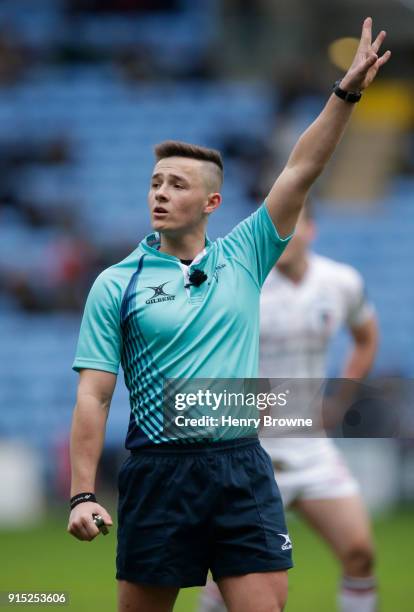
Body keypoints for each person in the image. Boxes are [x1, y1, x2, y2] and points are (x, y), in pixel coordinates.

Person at [67, 18, 390, 612]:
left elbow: (300, 169)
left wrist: (346, 94)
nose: (160, 192)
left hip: (241, 462)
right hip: (158, 470)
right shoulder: (116, 284)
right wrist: (81, 493)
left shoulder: (244, 255)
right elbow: (94, 396)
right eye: (155, 183)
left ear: (212, 202)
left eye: (177, 184)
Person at [199, 207, 379, 612]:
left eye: (291, 226)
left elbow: (366, 337)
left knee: (360, 553)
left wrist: (341, 396)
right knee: (229, 580)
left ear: (311, 229)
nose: (283, 236)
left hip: (311, 446)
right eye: (276, 228)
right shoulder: (245, 285)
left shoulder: (340, 281)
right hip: (252, 449)